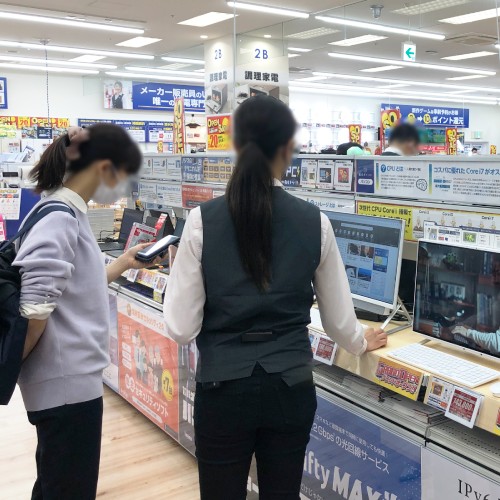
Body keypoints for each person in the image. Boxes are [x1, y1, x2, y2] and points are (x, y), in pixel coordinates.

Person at [164, 95, 387, 500]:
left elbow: (181, 328)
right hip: (290, 387)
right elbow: (339, 322)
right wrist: (360, 341)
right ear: (288, 148)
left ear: (235, 146)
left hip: (222, 389)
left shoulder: (202, 222)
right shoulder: (314, 221)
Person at [14, 124, 159, 500]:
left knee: (53, 483)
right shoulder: (61, 214)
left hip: (66, 382)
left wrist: (125, 263)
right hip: (65, 386)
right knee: (68, 488)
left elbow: (73, 287)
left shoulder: (62, 208)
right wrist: (13, 365)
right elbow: (36, 306)